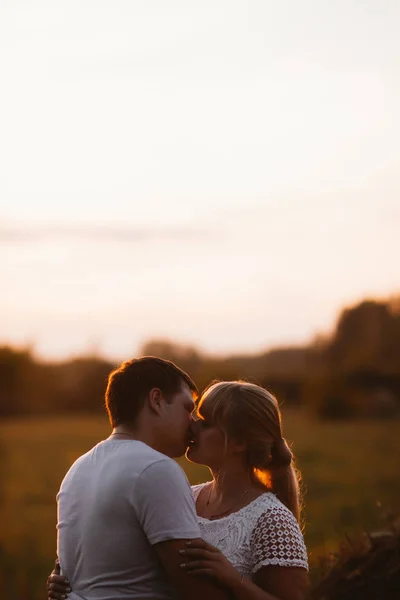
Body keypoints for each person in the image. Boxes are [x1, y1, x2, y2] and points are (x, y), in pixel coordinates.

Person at [48, 372, 309, 600]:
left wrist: (233, 580)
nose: (192, 425)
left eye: (205, 422)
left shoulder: (272, 519)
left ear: (239, 442)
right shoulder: (186, 496)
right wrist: (75, 581)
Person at [51, 356, 231, 600]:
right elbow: (194, 590)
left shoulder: (77, 470)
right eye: (187, 409)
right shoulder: (155, 469)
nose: (192, 423)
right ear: (156, 400)